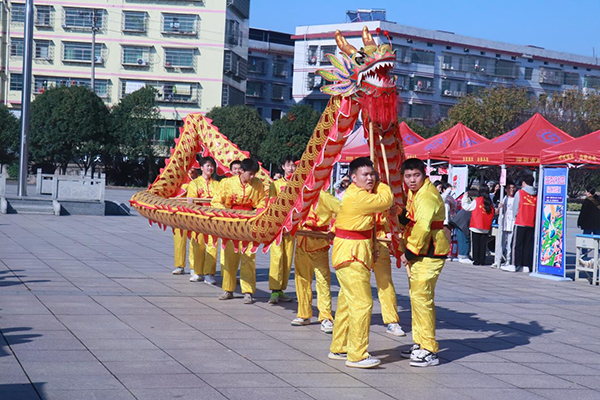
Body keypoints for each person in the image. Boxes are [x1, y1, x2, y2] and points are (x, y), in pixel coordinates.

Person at [328, 157, 393, 369]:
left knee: (347, 302)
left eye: (372, 174)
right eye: (365, 175)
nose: (370, 178)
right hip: (351, 253)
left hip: (354, 250)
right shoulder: (359, 196)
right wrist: (383, 183)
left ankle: (340, 346)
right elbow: (387, 200)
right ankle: (357, 354)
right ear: (353, 178)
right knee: (362, 303)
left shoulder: (360, 194)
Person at [398, 158, 449, 367]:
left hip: (429, 252)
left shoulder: (427, 195)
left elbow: (423, 227)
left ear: (424, 174)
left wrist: (409, 253)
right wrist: (400, 215)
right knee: (417, 299)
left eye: (416, 175)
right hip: (422, 251)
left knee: (422, 298)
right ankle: (420, 342)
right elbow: (411, 217)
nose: (412, 180)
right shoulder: (415, 193)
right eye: (408, 176)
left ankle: (428, 349)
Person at [212, 158, 266, 304]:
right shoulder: (227, 183)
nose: (253, 177)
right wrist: (227, 213)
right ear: (241, 171)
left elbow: (262, 201)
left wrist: (258, 212)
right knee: (230, 257)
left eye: (255, 174)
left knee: (249, 257)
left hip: (248, 225)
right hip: (231, 224)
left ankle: (248, 291)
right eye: (250, 174)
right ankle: (228, 289)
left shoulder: (257, 184)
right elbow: (216, 201)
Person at [292, 190, 339, 333]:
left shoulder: (325, 196)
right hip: (301, 240)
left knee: (322, 280)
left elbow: (343, 211)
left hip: (318, 242)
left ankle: (325, 317)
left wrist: (334, 229)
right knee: (301, 279)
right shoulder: (297, 195)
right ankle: (303, 313)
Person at [268, 156, 297, 304]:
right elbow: (271, 204)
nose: (291, 168)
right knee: (277, 257)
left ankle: (281, 289)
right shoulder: (276, 185)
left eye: (293, 165)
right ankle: (274, 290)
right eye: (288, 165)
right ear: (283, 167)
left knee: (287, 258)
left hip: (292, 226)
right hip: (278, 226)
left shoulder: (299, 185)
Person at [186, 157, 220, 284]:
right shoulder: (194, 183)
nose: (210, 168)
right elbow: (192, 200)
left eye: (212, 166)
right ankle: (197, 271)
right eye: (207, 166)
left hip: (212, 219)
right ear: (201, 168)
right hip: (199, 218)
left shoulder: (217, 184)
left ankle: (209, 273)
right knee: (198, 245)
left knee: (212, 246)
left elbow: (219, 199)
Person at [372, 212, 406, 337]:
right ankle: (345, 319)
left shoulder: (384, 196)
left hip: (381, 244)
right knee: (353, 286)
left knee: (385, 284)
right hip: (360, 243)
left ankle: (392, 321)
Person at [506, 174, 537, 273]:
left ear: (524, 182)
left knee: (516, 245)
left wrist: (516, 217)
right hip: (531, 223)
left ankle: (514, 264)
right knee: (528, 245)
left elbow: (515, 208)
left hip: (520, 222)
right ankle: (526, 265)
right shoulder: (536, 194)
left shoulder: (520, 193)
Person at [172, 167, 199, 275]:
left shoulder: (198, 182)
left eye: (194, 170)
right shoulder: (178, 180)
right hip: (180, 213)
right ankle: (179, 265)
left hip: (194, 215)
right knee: (179, 240)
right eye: (190, 170)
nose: (192, 172)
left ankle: (194, 266)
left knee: (195, 240)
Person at [462, 186, 494, 266]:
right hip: (485, 226)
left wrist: (465, 197)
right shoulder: (490, 203)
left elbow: (467, 207)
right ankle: (482, 260)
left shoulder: (477, 201)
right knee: (483, 244)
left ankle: (476, 260)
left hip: (476, 225)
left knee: (475, 244)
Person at [577, 186, 600, 268]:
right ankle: (599, 258)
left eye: (586, 192)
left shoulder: (587, 201)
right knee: (599, 241)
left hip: (588, 225)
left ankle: (584, 257)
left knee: (585, 241)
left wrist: (579, 222)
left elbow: (583, 213)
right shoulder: (598, 199)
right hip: (598, 224)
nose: (585, 193)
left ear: (588, 192)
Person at [498, 182, 517, 269]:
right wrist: (499, 207)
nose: (511, 190)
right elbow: (497, 212)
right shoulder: (504, 198)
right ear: (506, 190)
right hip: (504, 223)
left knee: (510, 244)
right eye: (510, 188)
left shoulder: (516, 199)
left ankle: (508, 260)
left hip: (512, 223)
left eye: (513, 188)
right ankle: (499, 259)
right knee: (501, 243)